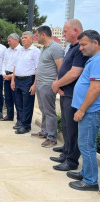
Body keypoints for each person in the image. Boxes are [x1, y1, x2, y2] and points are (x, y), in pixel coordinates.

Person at [51, 19, 87, 171]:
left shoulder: (80, 49)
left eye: (65, 31)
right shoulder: (71, 48)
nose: (63, 34)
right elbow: (65, 69)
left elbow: (74, 73)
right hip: (65, 92)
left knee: (72, 129)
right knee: (65, 125)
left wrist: (57, 84)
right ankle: (66, 151)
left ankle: (71, 161)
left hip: (73, 94)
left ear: (76, 31)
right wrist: (58, 83)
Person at [68, 30, 100, 191]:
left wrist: (82, 110)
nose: (80, 48)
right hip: (88, 110)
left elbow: (95, 89)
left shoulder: (97, 61)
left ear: (95, 43)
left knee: (87, 145)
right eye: (79, 45)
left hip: (90, 111)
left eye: (83, 44)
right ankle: (86, 172)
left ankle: (91, 181)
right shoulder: (93, 60)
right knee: (85, 144)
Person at [31, 26, 64, 148]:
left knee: (49, 112)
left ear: (43, 35)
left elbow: (61, 69)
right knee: (43, 110)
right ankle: (44, 132)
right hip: (41, 84)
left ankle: (52, 138)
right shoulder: (44, 49)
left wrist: (56, 84)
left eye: (37, 35)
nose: (36, 37)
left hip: (49, 85)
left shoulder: (56, 48)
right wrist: (36, 83)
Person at [11, 31, 40, 134]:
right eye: (22, 38)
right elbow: (15, 66)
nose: (23, 39)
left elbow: (37, 69)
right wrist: (13, 80)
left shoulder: (35, 51)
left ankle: (26, 126)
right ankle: (20, 122)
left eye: (25, 37)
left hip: (28, 80)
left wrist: (34, 84)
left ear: (32, 39)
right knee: (18, 103)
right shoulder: (19, 51)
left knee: (27, 104)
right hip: (18, 79)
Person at [0, 33, 22, 122]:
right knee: (8, 98)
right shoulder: (7, 50)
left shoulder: (21, 50)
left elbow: (20, 66)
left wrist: (12, 76)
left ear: (16, 40)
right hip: (6, 76)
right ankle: (9, 116)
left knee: (17, 99)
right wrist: (3, 74)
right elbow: (4, 62)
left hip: (16, 77)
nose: (8, 43)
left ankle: (19, 119)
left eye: (9, 41)